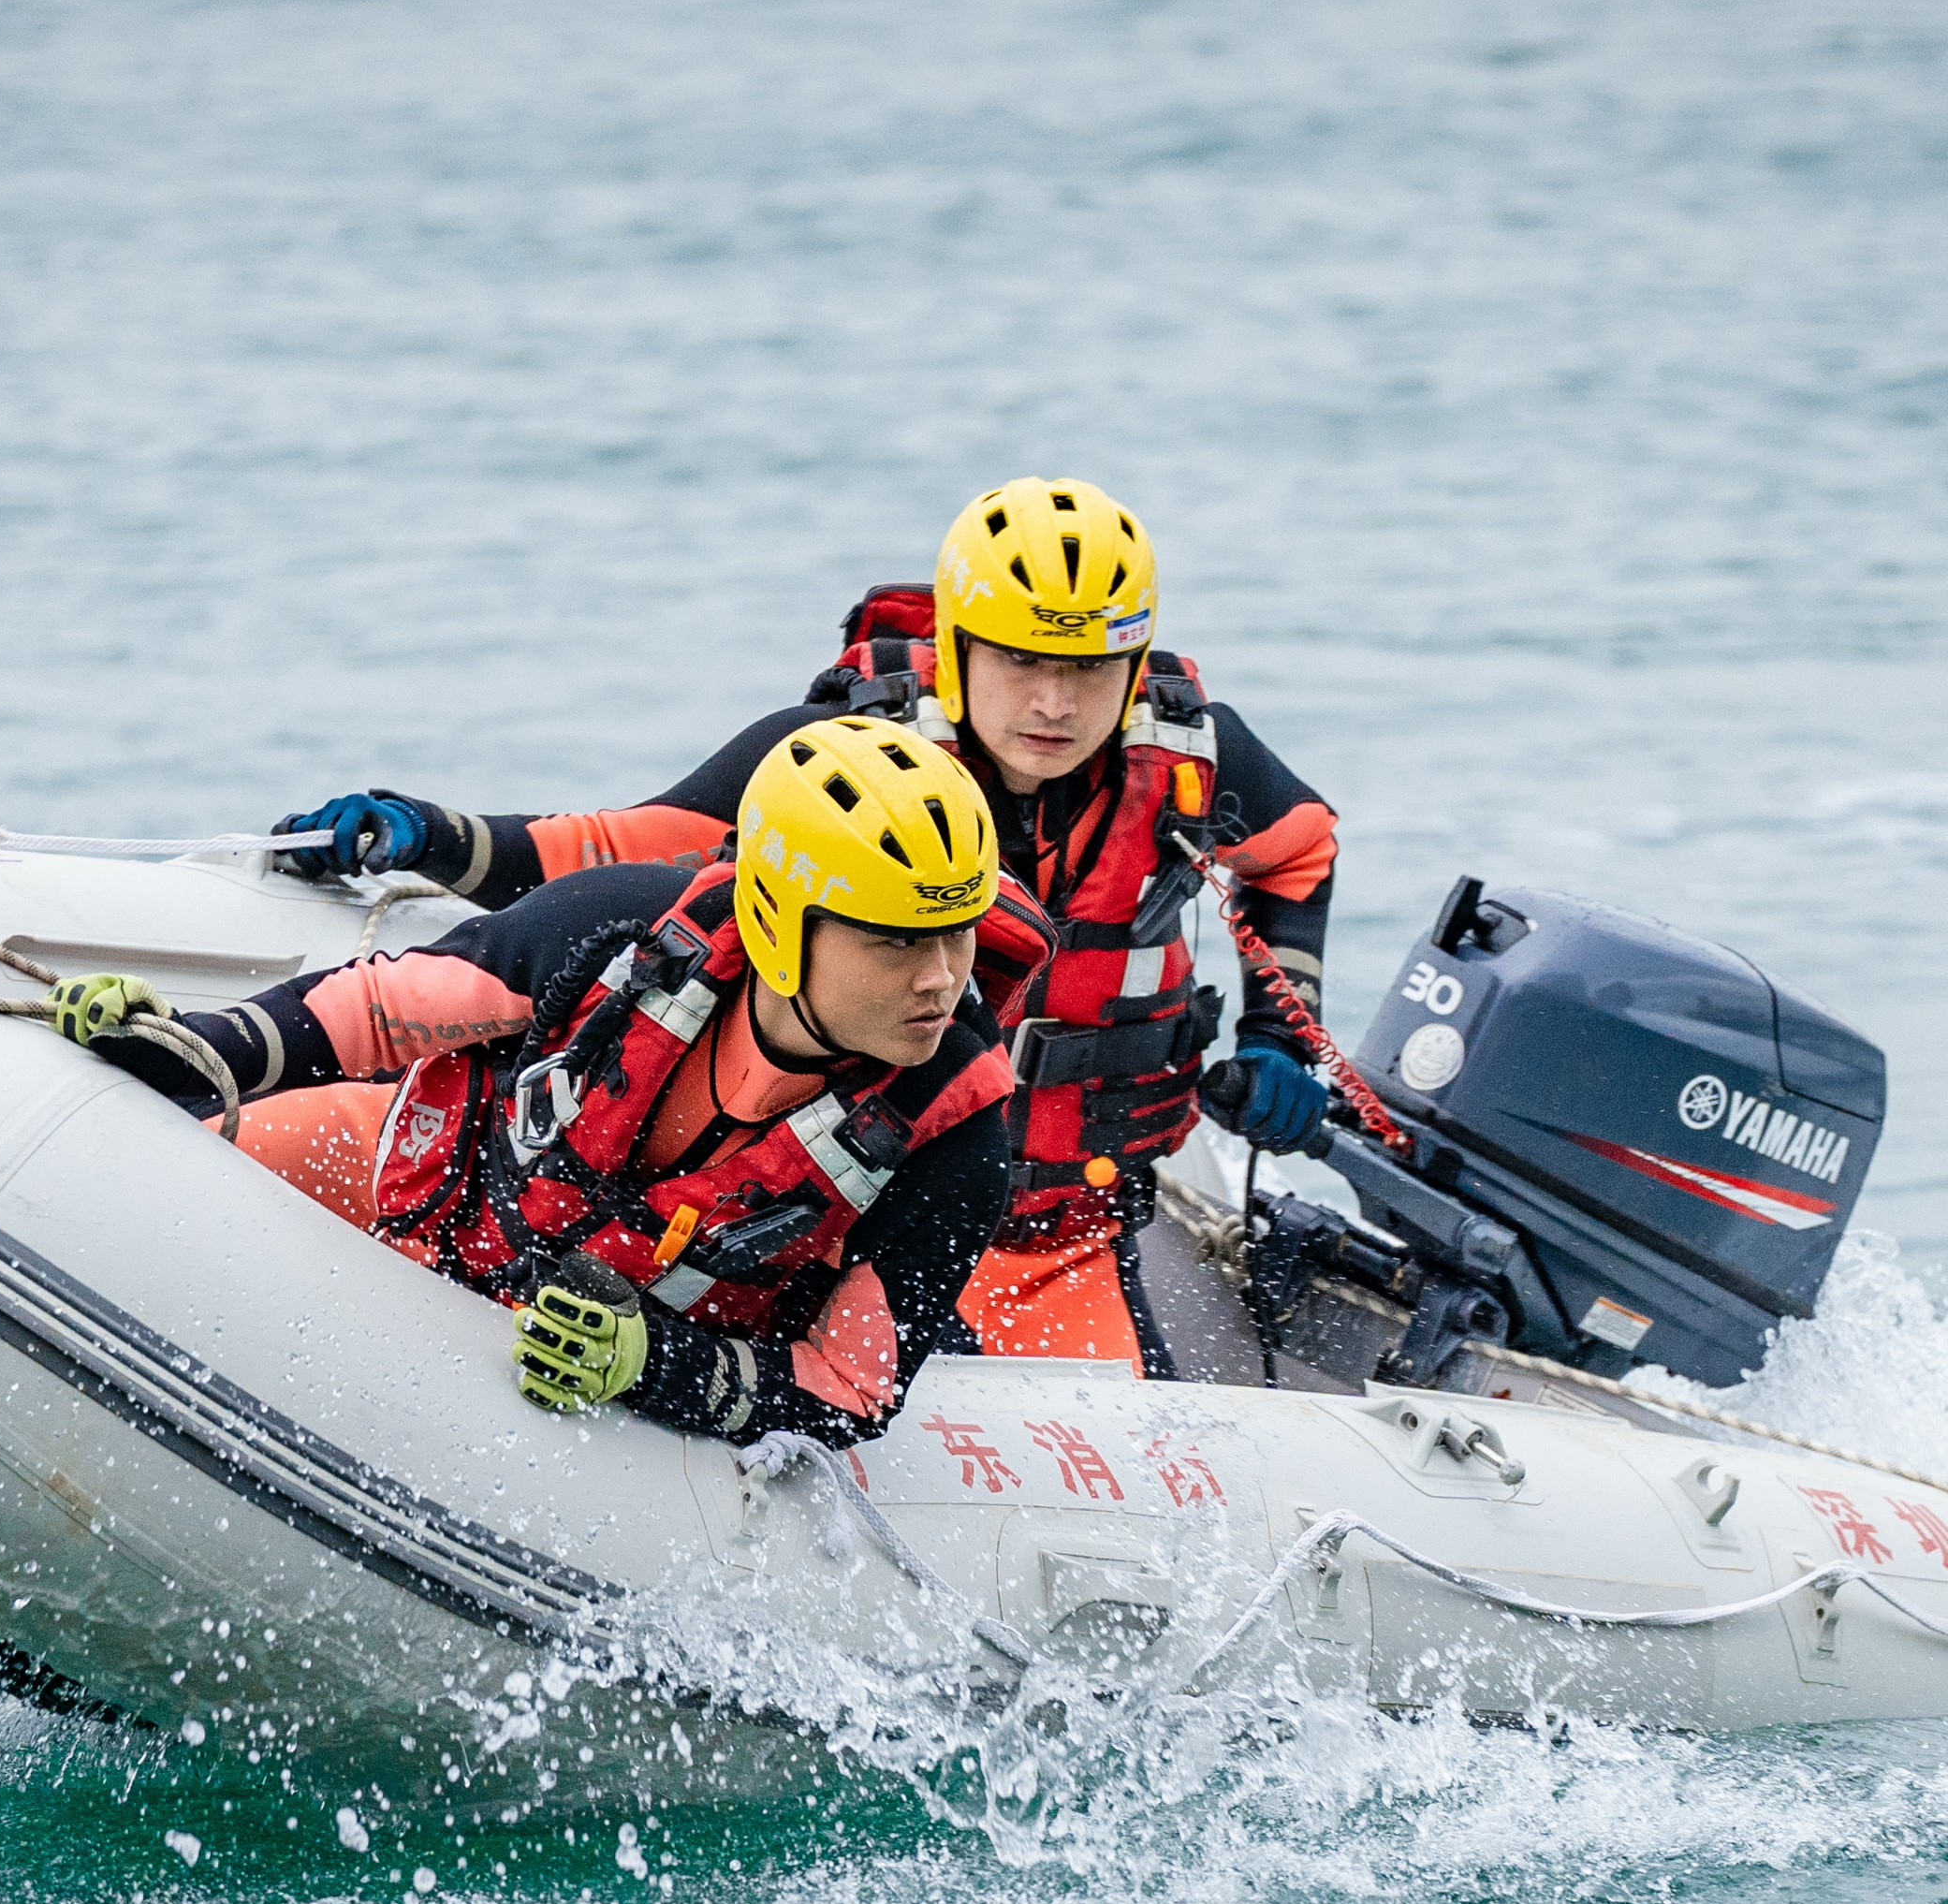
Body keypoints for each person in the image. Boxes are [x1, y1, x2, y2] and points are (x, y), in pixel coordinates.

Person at [262, 476, 1343, 1368]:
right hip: (836, 1209)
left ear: (1134, 662)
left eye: (1088, 670)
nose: (1054, 706)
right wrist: (428, 832)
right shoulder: (842, 761)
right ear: (959, 647)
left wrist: (1283, 1038)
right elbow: (618, 849)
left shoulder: (1195, 759)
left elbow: (1298, 853)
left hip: (1057, 1236)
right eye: (1021, 663)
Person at [53, 718, 1031, 1450]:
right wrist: (187, 1046)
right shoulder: (620, 928)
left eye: (957, 933)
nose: (943, 978)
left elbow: (848, 1390)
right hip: (392, 1174)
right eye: (897, 940)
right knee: (107, 1186)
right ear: (780, 923)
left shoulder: (958, 1139)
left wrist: (654, 1368)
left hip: (593, 1372)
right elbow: (374, 1013)